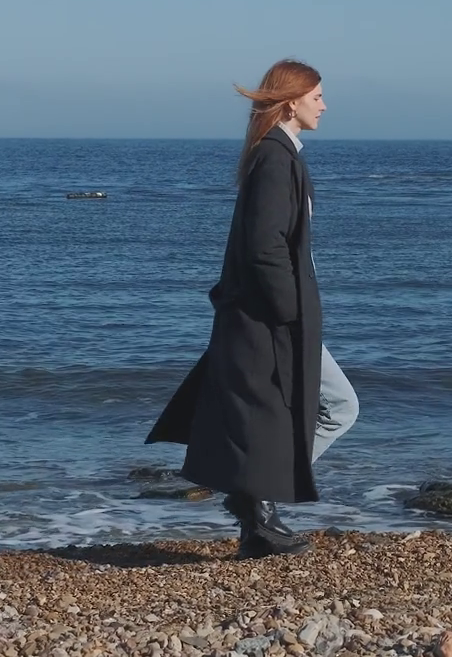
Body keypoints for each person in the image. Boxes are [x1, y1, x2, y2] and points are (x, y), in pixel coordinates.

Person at [147, 59, 359, 558]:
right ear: (291, 102)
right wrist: (292, 314)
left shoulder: (277, 155)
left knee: (282, 418)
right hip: (273, 321)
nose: (325, 106)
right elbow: (265, 248)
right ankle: (254, 499)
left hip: (270, 318)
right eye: (317, 97)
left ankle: (255, 515)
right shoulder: (275, 159)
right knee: (338, 406)